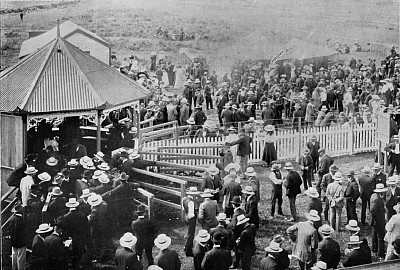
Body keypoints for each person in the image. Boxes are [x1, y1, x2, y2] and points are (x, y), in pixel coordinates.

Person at [61, 198, 89, 268]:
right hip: (81, 237)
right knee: (80, 253)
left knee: (73, 255)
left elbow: (65, 229)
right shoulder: (82, 215)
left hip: (71, 239)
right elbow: (86, 227)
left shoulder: (66, 217)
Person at [370, 183, 388, 259]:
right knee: (380, 236)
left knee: (374, 235)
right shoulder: (377, 199)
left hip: (375, 220)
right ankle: (381, 253)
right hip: (378, 220)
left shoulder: (373, 196)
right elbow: (372, 210)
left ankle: (374, 249)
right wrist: (376, 218)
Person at [7, 203, 27, 270]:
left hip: (13, 242)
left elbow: (9, 231)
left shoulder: (11, 219)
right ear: (21, 210)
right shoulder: (22, 221)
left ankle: (14, 268)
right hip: (21, 242)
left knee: (14, 256)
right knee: (21, 259)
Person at [182, 187, 200, 257]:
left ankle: (186, 247)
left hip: (186, 217)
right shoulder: (191, 202)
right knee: (191, 235)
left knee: (189, 233)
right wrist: (196, 215)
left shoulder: (184, 199)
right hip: (191, 219)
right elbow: (191, 214)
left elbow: (183, 209)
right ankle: (188, 251)